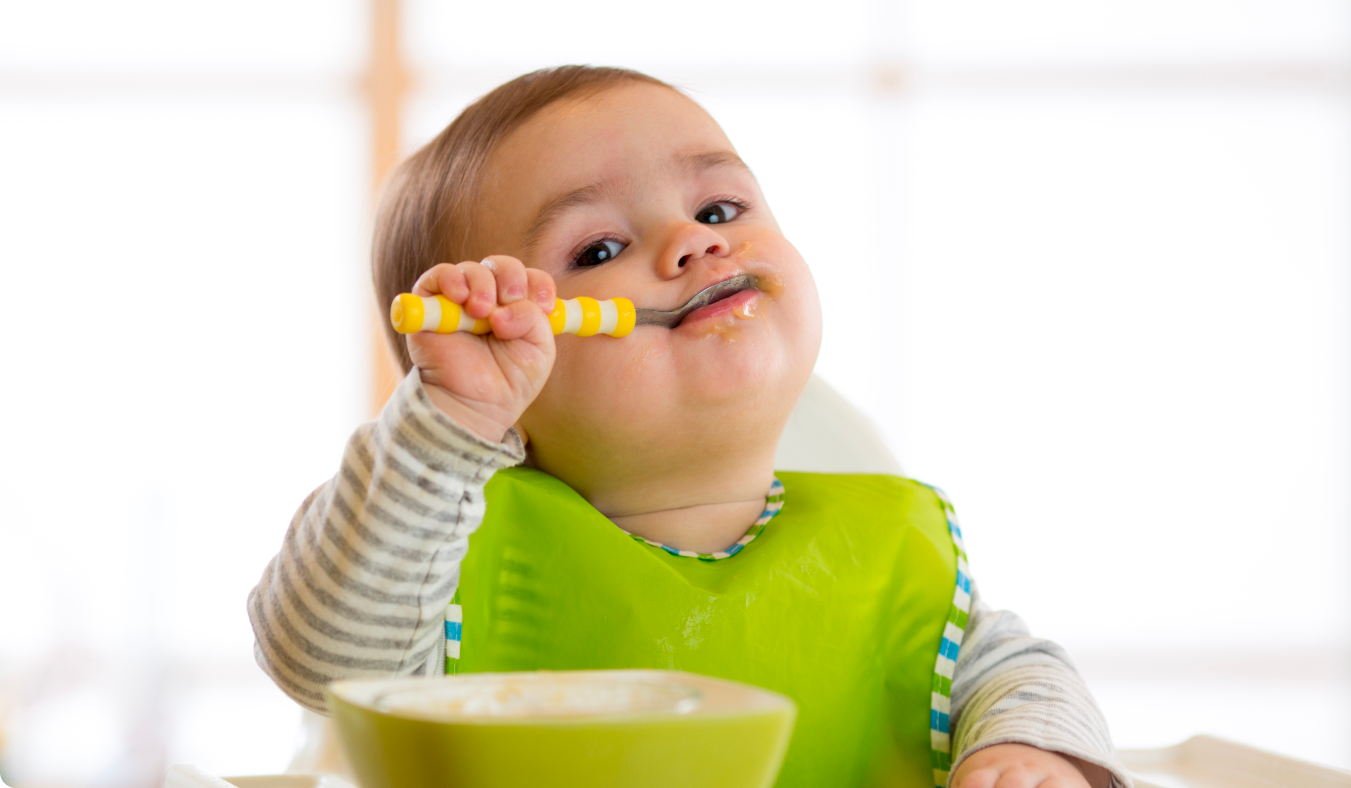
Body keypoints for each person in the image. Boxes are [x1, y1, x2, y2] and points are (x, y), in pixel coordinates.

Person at [249, 65, 1129, 788]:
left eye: (720, 210)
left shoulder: (895, 560)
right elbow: (322, 667)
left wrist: (1026, 754)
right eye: (596, 250)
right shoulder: (442, 580)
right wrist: (447, 423)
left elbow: (1029, 678)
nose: (691, 241)